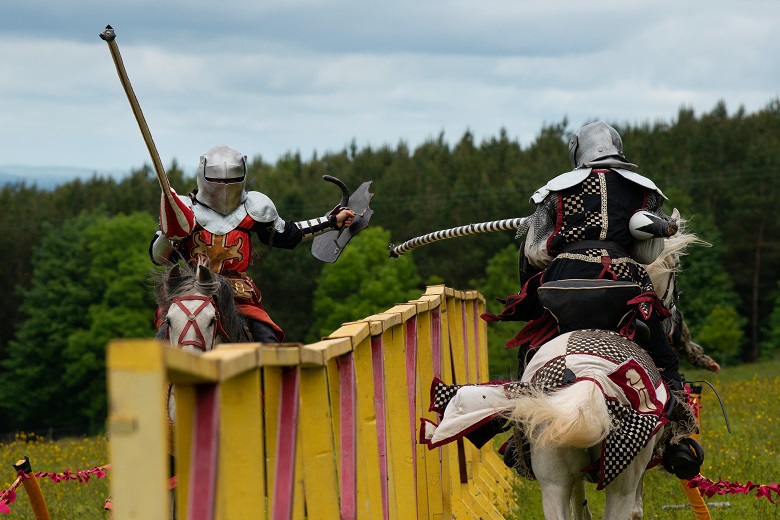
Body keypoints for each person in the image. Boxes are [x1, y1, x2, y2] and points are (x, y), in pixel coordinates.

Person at [483, 121, 703, 478]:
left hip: (563, 285)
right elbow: (648, 254)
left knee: (532, 349)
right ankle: (677, 434)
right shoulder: (643, 190)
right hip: (623, 285)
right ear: (619, 149)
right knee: (664, 358)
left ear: (576, 153)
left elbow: (537, 253)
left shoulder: (554, 192)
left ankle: (521, 432)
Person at [150, 145, 355, 343]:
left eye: (231, 179)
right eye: (217, 179)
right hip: (193, 293)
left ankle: (275, 377)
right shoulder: (185, 211)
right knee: (161, 346)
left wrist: (330, 222)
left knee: (268, 341)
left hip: (237, 294)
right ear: (204, 175)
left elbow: (289, 233)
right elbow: (157, 256)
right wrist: (171, 235)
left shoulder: (254, 208)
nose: (224, 185)